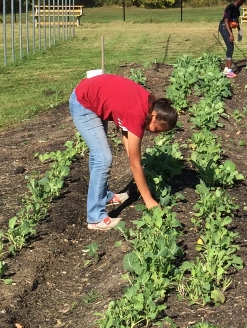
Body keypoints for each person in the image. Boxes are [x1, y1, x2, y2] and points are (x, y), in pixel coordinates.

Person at [69, 73, 178, 231]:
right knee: (103, 158)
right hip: (83, 104)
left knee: (98, 154)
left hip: (92, 97)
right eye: (158, 129)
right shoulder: (138, 114)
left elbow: (126, 135)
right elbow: (134, 164)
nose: (157, 134)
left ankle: (104, 196)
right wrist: (148, 200)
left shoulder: (148, 105)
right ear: (154, 116)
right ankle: (95, 218)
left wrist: (134, 160)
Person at [219, 0, 246, 78]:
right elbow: (226, 21)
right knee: (230, 47)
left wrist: (239, 31)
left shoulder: (237, 8)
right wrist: (231, 34)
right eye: (241, 0)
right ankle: (229, 71)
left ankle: (227, 69)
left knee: (230, 47)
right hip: (224, 27)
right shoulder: (230, 8)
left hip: (228, 28)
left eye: (243, 1)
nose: (242, 2)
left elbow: (236, 21)